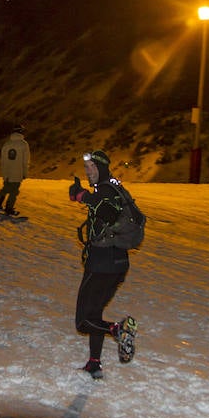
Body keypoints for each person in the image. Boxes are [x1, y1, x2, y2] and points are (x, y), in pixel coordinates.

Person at [68, 149, 137, 379]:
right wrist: (84, 196)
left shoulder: (106, 190)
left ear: (103, 168)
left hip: (101, 263)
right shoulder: (115, 188)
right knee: (95, 313)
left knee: (83, 321)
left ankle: (118, 330)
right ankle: (94, 363)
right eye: (87, 168)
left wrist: (83, 196)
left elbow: (108, 212)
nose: (89, 172)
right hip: (118, 263)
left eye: (93, 168)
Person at [0, 125, 30, 215]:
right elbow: (25, 161)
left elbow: (3, 160)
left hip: (7, 172)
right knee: (14, 191)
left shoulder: (7, 144)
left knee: (5, 189)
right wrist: (25, 173)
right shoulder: (23, 144)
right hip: (17, 172)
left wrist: (4, 173)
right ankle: (9, 208)